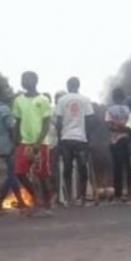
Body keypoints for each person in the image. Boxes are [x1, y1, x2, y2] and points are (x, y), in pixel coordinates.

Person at [13, 71, 53, 217]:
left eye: (26, 79)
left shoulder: (43, 100)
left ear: (35, 81)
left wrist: (39, 141)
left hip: (40, 143)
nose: (23, 81)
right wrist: (16, 141)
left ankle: (47, 205)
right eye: (22, 79)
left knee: (42, 175)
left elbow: (46, 123)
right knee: (19, 172)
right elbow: (17, 122)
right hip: (25, 143)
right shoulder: (18, 100)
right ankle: (37, 199)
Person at [55, 77, 94, 206]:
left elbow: (58, 122)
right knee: (83, 168)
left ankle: (69, 199)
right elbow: (89, 120)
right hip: (81, 139)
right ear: (78, 86)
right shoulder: (85, 100)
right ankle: (82, 199)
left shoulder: (61, 100)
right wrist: (88, 138)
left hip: (66, 139)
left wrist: (59, 139)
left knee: (67, 169)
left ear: (67, 86)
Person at [0, 90, 27, 211]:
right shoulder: (5, 109)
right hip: (9, 145)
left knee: (13, 174)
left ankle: (20, 201)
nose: (9, 96)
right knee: (12, 174)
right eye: (6, 94)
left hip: (2, 144)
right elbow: (11, 127)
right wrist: (16, 143)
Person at [105, 87, 131, 201]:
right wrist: (124, 128)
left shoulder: (110, 110)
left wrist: (117, 128)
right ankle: (130, 192)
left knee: (117, 167)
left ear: (113, 98)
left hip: (115, 141)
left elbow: (108, 125)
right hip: (127, 139)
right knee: (129, 167)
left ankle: (118, 194)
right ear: (123, 97)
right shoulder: (128, 110)